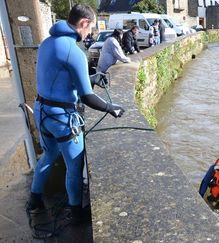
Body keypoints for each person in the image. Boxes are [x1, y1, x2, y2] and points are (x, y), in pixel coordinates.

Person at [26, 4, 125, 230]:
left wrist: (93, 76)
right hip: (62, 119)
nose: (90, 33)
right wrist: (112, 108)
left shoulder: (47, 43)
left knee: (49, 155)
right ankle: (75, 212)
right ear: (83, 23)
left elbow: (60, 77)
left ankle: (35, 200)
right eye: (89, 28)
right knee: (74, 165)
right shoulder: (74, 50)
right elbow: (87, 98)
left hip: (42, 111)